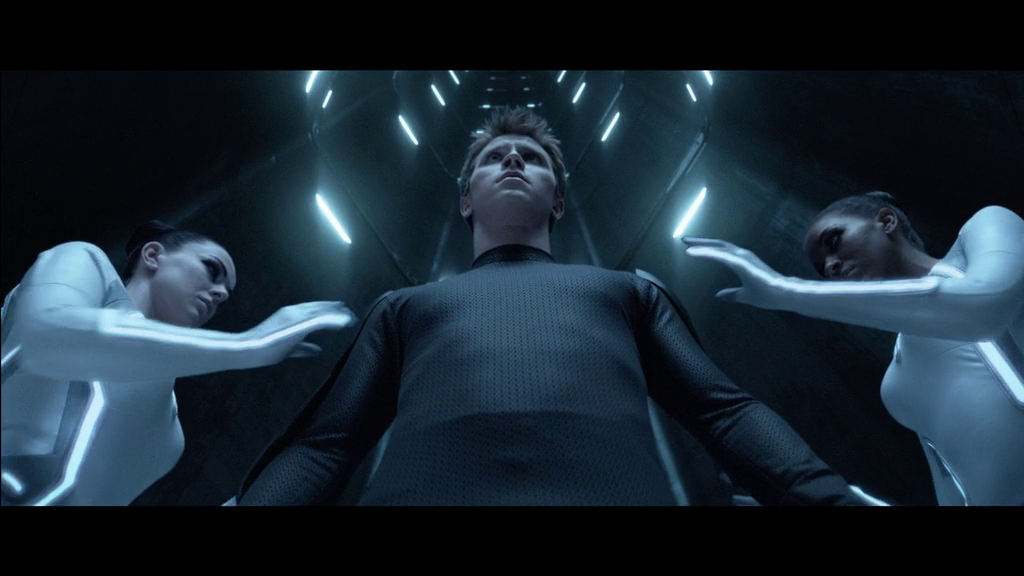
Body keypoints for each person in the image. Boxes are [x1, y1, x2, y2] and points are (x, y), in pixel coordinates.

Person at [235, 107, 865, 506]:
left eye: (531, 159)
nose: (512, 159)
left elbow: (722, 411)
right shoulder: (403, 308)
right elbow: (325, 444)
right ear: (465, 201)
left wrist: (826, 497)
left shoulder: (629, 293)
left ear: (558, 202)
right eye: (493, 158)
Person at [683, 191, 1024, 506]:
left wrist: (788, 291)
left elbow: (987, 306)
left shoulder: (984, 230)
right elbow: (953, 497)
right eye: (821, 270)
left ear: (886, 221)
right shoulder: (897, 385)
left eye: (834, 241)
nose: (831, 267)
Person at [0, 221, 355, 506]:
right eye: (211, 269)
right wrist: (250, 345)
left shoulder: (169, 438)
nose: (220, 294)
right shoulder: (85, 263)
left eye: (225, 296)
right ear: (153, 255)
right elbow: (45, 335)